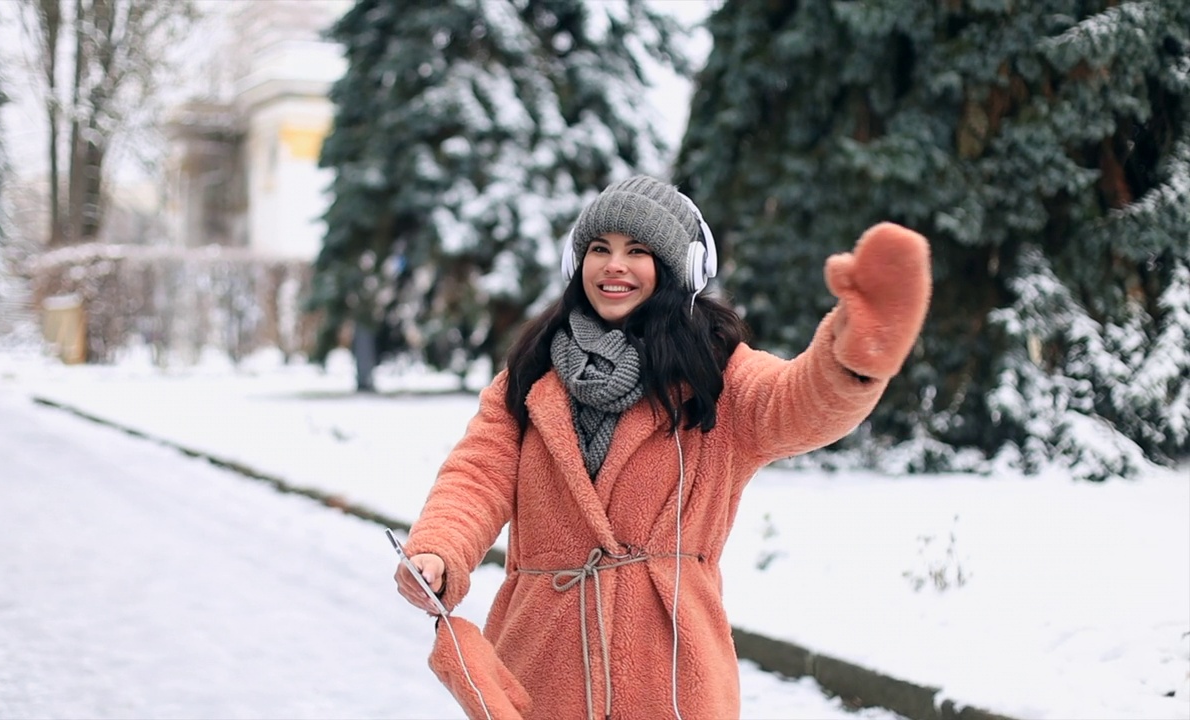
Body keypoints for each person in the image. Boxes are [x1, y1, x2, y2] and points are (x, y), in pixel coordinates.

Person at [393, 175, 932, 720]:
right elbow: (477, 474)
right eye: (599, 249)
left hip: (671, 678)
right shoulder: (533, 373)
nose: (614, 266)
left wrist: (852, 355)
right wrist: (440, 548)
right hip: (541, 666)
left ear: (681, 269)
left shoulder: (715, 372)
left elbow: (797, 403)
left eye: (638, 251)